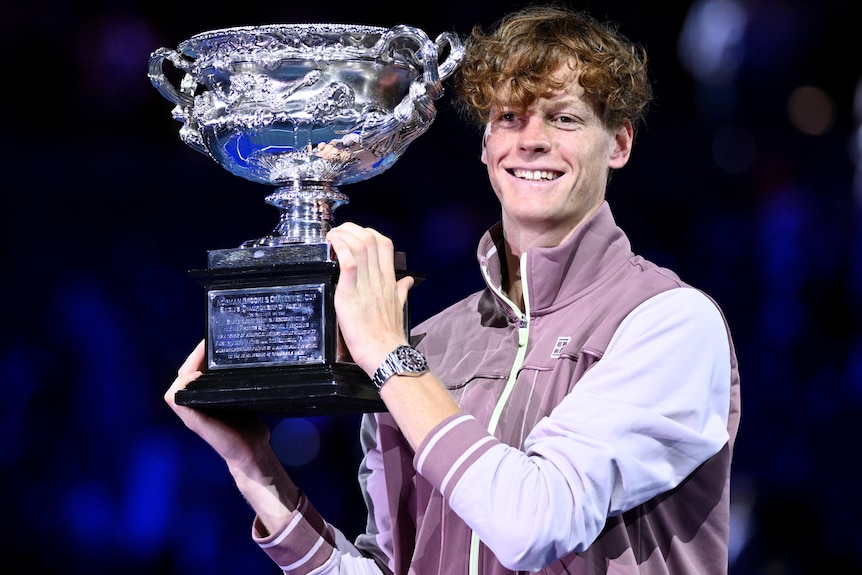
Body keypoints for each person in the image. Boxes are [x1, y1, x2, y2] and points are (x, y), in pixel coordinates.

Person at [166, 4, 741, 574]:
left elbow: (534, 525)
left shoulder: (670, 323)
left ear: (618, 144)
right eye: (510, 118)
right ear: (486, 145)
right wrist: (255, 467)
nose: (531, 140)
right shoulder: (429, 346)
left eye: (564, 118)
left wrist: (389, 358)